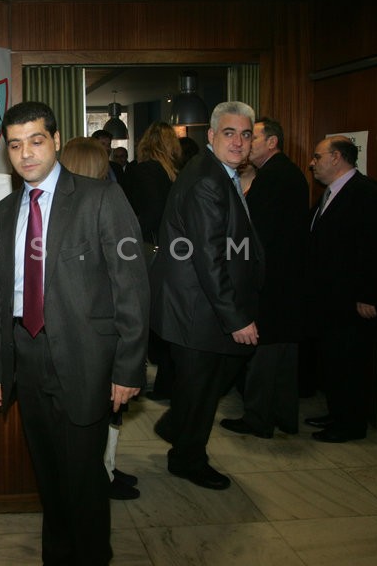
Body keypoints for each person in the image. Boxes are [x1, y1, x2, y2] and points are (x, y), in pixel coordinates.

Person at [0, 101, 150, 564]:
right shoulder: (3, 212)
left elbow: (132, 289)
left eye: (36, 141)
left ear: (55, 140)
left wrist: (128, 367)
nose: (26, 153)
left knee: (84, 480)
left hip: (86, 359)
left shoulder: (100, 198)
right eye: (15, 145)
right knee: (49, 474)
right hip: (27, 356)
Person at [150, 101, 264, 491]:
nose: (239, 142)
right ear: (212, 135)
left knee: (202, 385)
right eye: (229, 133)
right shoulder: (208, 181)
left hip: (197, 305)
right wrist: (236, 318)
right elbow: (209, 259)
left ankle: (177, 425)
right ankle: (187, 459)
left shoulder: (216, 171)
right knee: (200, 389)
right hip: (197, 308)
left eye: (245, 134)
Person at [59, 134, 141, 501]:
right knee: (103, 410)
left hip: (86, 332)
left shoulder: (66, 207)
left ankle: (106, 466)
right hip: (102, 331)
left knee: (106, 411)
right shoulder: (106, 200)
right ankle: (101, 473)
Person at [304, 135, 377, 442]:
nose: (312, 163)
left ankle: (351, 424)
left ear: (336, 157)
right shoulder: (332, 193)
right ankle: (338, 414)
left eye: (318, 157)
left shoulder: (368, 194)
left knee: (351, 363)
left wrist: (369, 295)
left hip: (356, 301)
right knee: (334, 361)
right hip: (333, 300)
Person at [220, 117, 308, 438]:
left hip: (272, 282)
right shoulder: (284, 173)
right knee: (283, 352)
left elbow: (255, 233)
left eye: (251, 137)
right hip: (286, 280)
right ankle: (284, 416)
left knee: (266, 351)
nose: (245, 143)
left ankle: (258, 418)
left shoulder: (274, 177)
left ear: (272, 142)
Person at [125, 121, 182, 402]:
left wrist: (126, 236)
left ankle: (133, 380)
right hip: (172, 250)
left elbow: (147, 213)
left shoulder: (143, 170)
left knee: (139, 318)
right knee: (163, 318)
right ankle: (166, 382)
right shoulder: (175, 174)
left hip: (147, 249)